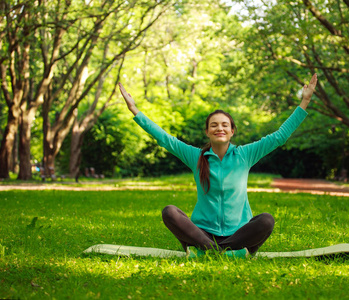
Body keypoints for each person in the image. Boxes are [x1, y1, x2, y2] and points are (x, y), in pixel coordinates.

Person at [119, 73, 317, 257]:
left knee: (266, 220)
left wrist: (305, 101)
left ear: (232, 131)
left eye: (224, 125)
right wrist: (134, 110)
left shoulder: (245, 154)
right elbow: (164, 138)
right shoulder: (196, 157)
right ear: (207, 132)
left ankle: (213, 251)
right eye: (214, 125)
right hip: (202, 234)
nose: (219, 128)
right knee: (169, 211)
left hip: (239, 233)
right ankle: (220, 250)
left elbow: (279, 137)